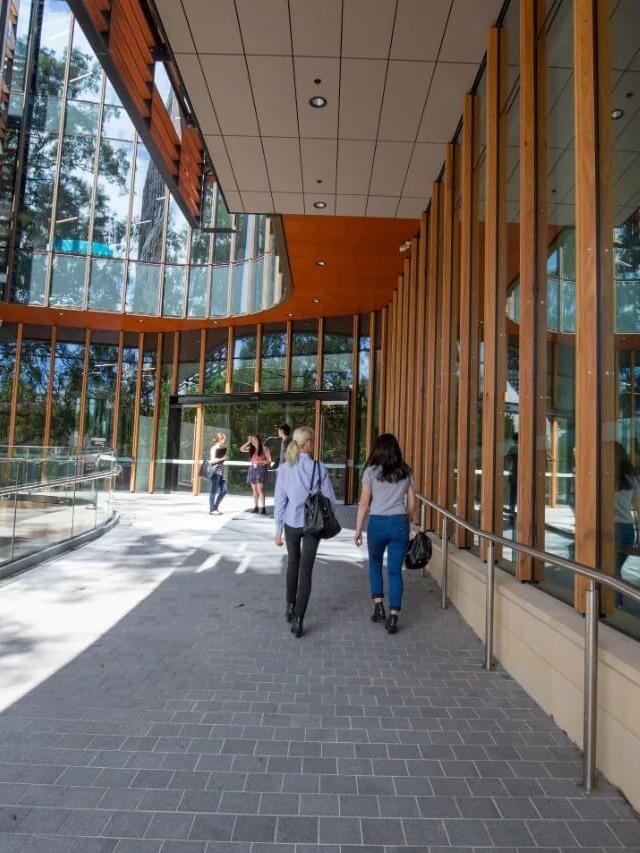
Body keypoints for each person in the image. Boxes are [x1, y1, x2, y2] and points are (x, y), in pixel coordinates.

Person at [274, 426, 337, 638]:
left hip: (291, 524)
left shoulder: (284, 469)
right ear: (308, 444)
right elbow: (330, 499)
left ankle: (290, 606)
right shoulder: (318, 468)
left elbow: (280, 502)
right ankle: (299, 619)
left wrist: (278, 530)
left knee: (293, 564)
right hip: (312, 525)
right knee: (306, 571)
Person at [354, 433, 416, 635]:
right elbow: (413, 502)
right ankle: (394, 616)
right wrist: (408, 519)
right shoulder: (405, 471)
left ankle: (378, 606)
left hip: (378, 523)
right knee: (395, 571)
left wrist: (358, 529)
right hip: (399, 523)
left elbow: (364, 503)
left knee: (374, 563)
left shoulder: (371, 472)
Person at [614, 442, 640, 581]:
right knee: (615, 570)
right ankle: (616, 602)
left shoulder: (603, 477)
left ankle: (612, 602)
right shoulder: (631, 478)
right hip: (627, 530)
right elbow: (638, 508)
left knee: (610, 571)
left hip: (611, 529)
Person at [240, 434, 271, 514]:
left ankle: (263, 507)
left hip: (260, 469)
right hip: (252, 469)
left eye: (255, 439)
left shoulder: (265, 448)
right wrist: (248, 442)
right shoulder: (251, 448)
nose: (254, 441)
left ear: (259, 440)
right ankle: (256, 507)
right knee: (254, 489)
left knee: (260, 489)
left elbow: (269, 461)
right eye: (252, 440)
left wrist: (260, 461)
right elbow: (241, 449)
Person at [208, 433, 226, 515]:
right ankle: (212, 510)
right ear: (220, 439)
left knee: (224, 490)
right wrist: (222, 458)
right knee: (214, 490)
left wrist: (223, 473)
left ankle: (215, 507)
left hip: (221, 473)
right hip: (215, 472)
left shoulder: (221, 449)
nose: (224, 440)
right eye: (223, 438)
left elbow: (221, 464)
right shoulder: (214, 448)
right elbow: (212, 461)